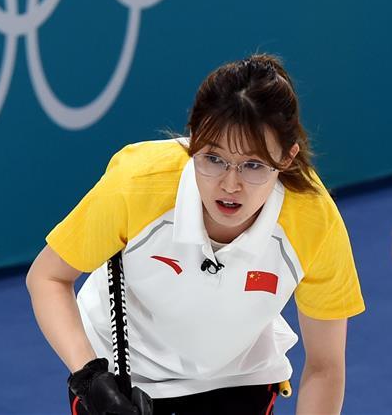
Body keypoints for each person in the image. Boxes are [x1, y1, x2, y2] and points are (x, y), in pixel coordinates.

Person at [26, 54, 365, 415]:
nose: (229, 185)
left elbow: (326, 367)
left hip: (240, 379)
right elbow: (47, 278)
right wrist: (89, 377)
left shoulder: (313, 219)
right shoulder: (138, 185)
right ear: (192, 141)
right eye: (213, 158)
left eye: (253, 165)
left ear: (287, 157)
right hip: (125, 380)